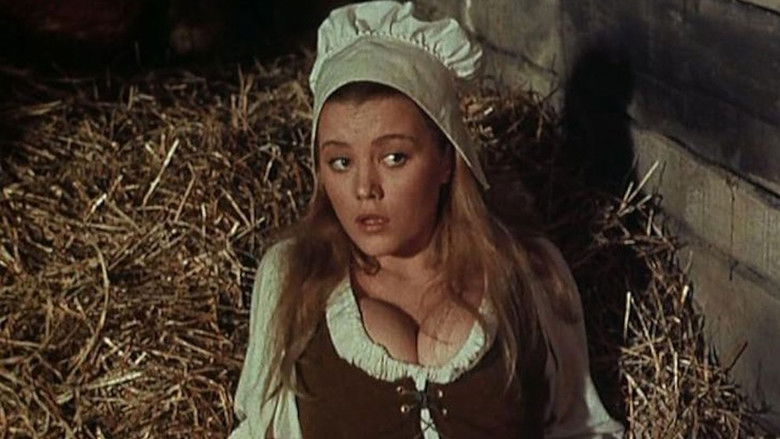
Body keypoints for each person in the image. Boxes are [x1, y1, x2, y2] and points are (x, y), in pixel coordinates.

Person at [231, 2, 625, 438]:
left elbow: (581, 428)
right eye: (340, 162)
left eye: (394, 157)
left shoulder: (529, 271)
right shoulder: (293, 276)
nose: (365, 189)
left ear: (445, 160)